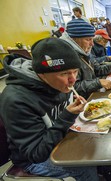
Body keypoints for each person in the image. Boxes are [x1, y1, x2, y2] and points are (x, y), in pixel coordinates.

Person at [0, 38, 99, 181]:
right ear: (41, 74)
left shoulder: (58, 84)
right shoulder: (16, 100)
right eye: (64, 74)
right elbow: (36, 153)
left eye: (75, 71)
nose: (73, 80)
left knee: (96, 147)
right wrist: (66, 116)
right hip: (32, 160)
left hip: (59, 140)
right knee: (85, 168)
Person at [60, 19, 111, 99]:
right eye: (88, 39)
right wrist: (98, 83)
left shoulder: (84, 51)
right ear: (74, 40)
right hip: (82, 102)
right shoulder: (66, 57)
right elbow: (72, 87)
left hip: (92, 94)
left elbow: (96, 69)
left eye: (92, 39)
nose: (92, 44)